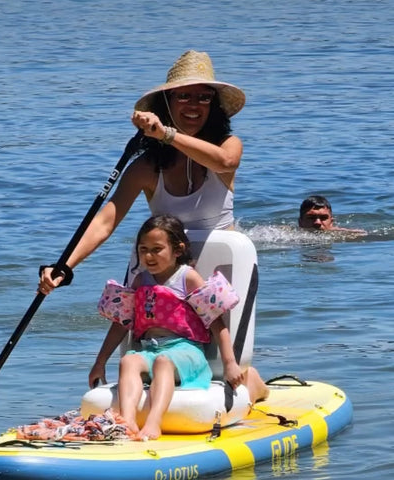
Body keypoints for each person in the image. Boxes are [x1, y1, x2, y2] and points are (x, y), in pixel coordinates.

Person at [38, 49, 246, 294]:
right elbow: (105, 222)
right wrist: (64, 266)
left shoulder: (227, 144)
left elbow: (226, 162)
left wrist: (167, 134)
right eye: (184, 96)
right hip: (163, 272)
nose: (194, 105)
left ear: (214, 105)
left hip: (221, 269)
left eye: (204, 97)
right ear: (166, 103)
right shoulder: (146, 167)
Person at [89, 215, 268, 440]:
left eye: (157, 249)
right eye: (143, 249)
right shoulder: (140, 281)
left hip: (186, 351)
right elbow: (120, 325)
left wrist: (230, 363)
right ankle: (128, 421)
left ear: (177, 250)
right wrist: (100, 362)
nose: (148, 256)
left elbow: (216, 323)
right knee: (128, 361)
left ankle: (154, 423)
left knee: (165, 361)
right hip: (150, 350)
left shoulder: (188, 278)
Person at [298, 195, 366, 234]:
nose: (317, 222)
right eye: (311, 217)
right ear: (300, 222)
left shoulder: (343, 234)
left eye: (323, 218)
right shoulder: (290, 236)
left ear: (331, 222)